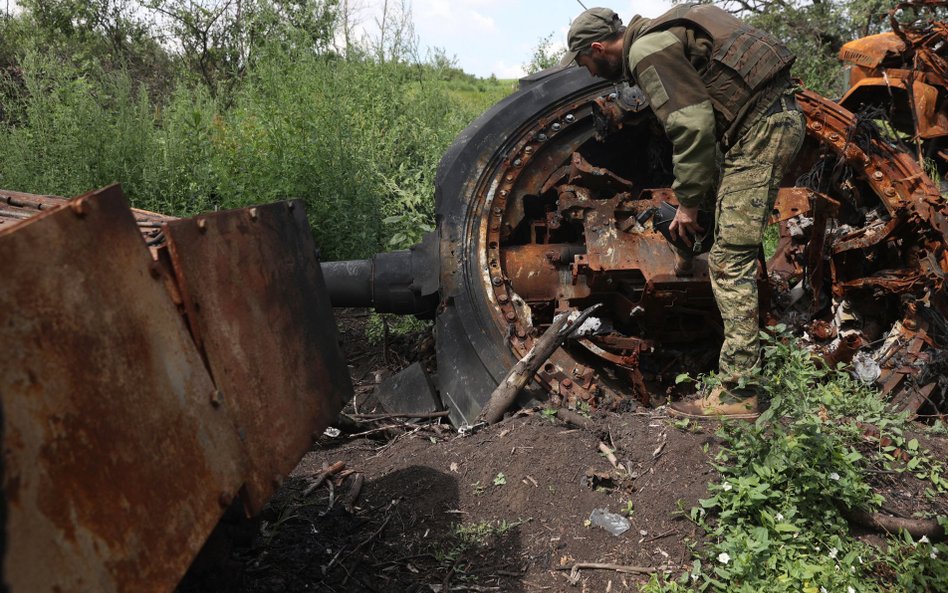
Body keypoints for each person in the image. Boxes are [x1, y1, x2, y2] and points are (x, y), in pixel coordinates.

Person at [563, 4, 806, 419]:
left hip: (760, 132)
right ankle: (688, 261)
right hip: (762, 124)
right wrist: (696, 209)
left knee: (730, 261)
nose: (587, 72)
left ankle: (739, 393)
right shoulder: (667, 31)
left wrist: (689, 204)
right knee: (709, 225)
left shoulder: (647, 52)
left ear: (599, 47)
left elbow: (692, 127)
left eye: (585, 61)